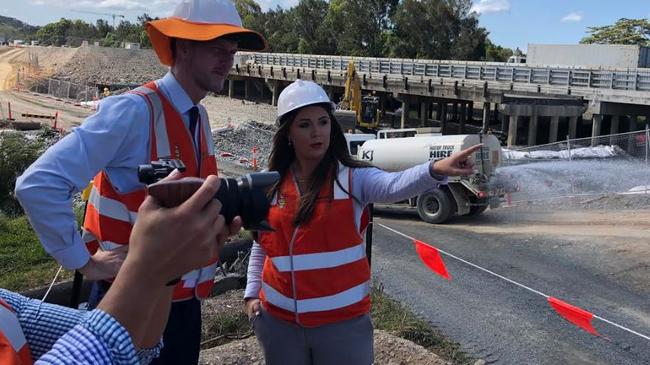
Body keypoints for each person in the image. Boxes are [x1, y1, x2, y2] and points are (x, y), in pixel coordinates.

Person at [14, 0, 266, 363]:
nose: (228, 59)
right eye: (216, 48)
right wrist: (86, 262)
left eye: (232, 49)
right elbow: (38, 185)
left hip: (182, 306)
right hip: (131, 306)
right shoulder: (133, 111)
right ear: (181, 47)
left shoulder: (200, 116)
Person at [243, 80, 480, 364]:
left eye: (323, 122)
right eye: (304, 125)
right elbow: (263, 245)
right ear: (288, 134)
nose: (317, 132)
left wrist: (434, 170)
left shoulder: (352, 179)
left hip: (342, 326)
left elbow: (394, 186)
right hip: (280, 326)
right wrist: (251, 294)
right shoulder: (271, 185)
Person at [3, 173, 232, 364]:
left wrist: (168, 270)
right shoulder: (125, 118)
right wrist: (146, 268)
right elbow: (34, 185)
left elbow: (137, 350)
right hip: (119, 280)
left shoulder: (8, 309)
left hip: (157, 294)